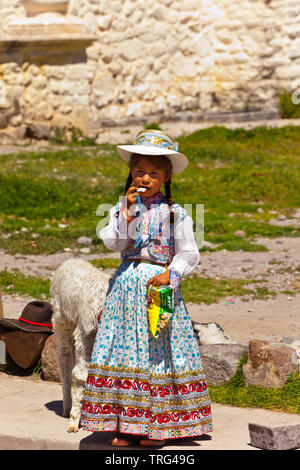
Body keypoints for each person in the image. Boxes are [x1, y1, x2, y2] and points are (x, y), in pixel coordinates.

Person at [80, 129, 212, 447]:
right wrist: (126, 212)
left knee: (157, 354)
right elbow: (114, 242)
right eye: (140, 171)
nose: (145, 178)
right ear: (130, 174)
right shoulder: (122, 209)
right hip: (125, 289)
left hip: (159, 288)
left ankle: (159, 426)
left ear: (166, 177)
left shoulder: (175, 214)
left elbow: (190, 252)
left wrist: (172, 274)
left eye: (154, 172)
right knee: (122, 352)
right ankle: (126, 425)